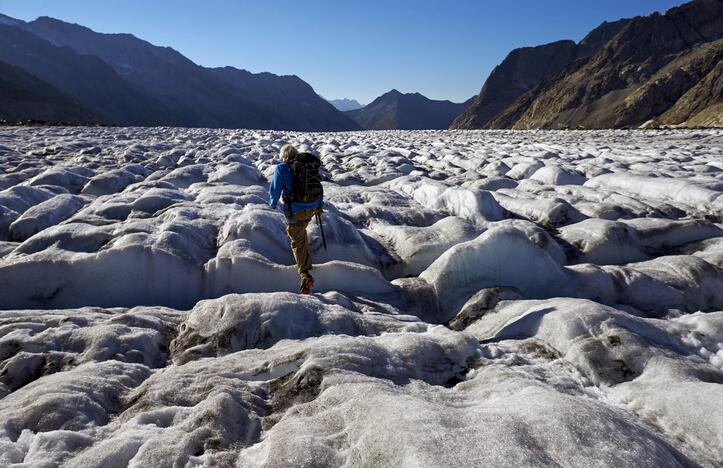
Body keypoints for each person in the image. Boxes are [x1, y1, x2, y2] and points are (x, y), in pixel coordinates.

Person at [269, 144, 324, 294]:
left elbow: (275, 189)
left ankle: (305, 275)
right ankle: (306, 263)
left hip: (295, 211)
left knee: (297, 240)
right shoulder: (307, 167)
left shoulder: (282, 168)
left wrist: (272, 204)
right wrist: (319, 205)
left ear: (283, 156)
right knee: (301, 234)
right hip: (311, 208)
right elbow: (317, 185)